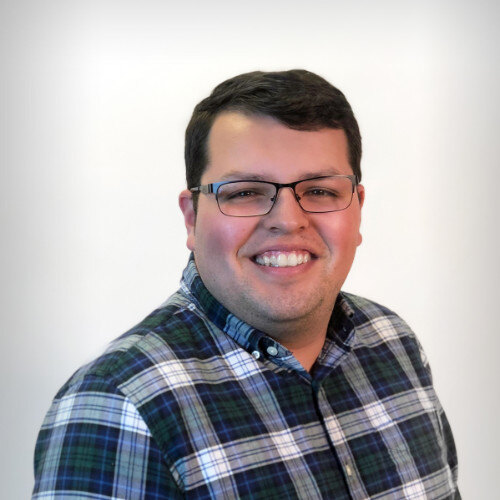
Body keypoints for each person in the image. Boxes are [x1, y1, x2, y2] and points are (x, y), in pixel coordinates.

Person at [33, 69, 460, 499]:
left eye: (320, 191)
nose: (288, 220)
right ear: (192, 218)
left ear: (357, 210)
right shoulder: (119, 404)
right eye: (244, 192)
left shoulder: (393, 343)